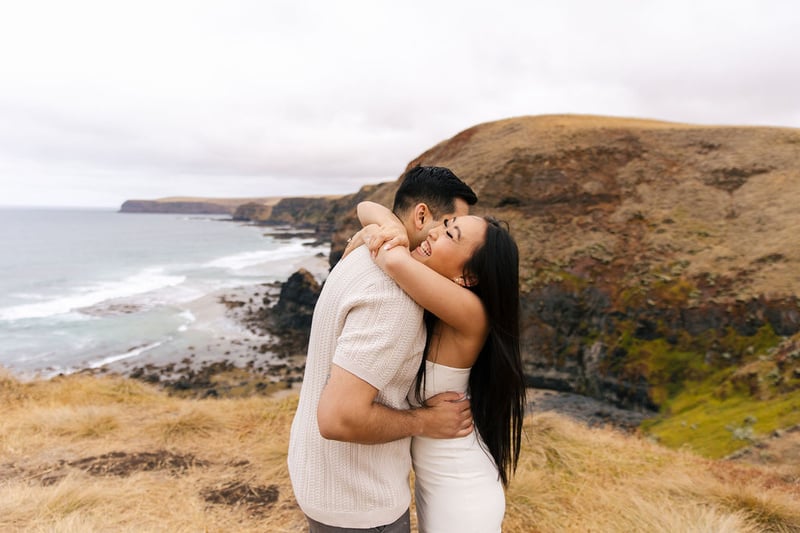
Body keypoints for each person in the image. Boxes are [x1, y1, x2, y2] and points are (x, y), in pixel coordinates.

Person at [287, 166, 479, 532]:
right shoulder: (395, 296)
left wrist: (379, 222)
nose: (439, 235)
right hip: (358, 498)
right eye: (448, 225)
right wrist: (427, 421)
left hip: (321, 477)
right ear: (421, 216)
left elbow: (368, 209)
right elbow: (340, 417)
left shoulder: (363, 253)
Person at [352, 200, 526, 533]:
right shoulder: (439, 304)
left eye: (450, 234)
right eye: (444, 224)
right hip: (439, 487)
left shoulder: (472, 313)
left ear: (468, 276)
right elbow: (365, 206)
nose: (434, 231)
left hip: (461, 493)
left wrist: (381, 232)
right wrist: (390, 225)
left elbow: (392, 258)